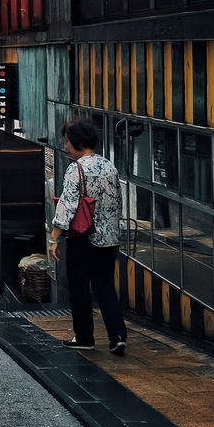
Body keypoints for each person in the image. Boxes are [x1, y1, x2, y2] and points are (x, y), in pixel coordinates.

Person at [48, 119, 127, 355]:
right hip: (109, 239)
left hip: (84, 238)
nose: (65, 146)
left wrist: (54, 238)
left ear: (78, 142)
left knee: (79, 287)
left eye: (67, 141)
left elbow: (67, 205)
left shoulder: (77, 168)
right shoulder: (109, 166)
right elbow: (117, 203)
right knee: (105, 286)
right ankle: (118, 336)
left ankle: (84, 337)